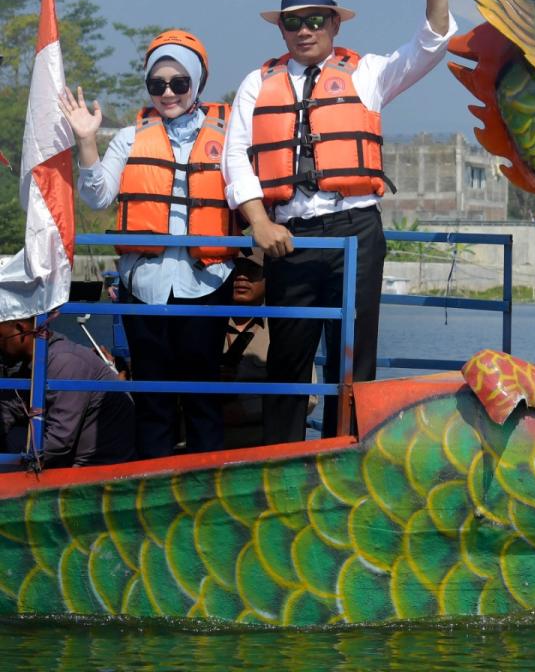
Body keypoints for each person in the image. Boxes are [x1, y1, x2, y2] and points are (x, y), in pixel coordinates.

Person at [222, 0, 455, 444]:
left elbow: (430, 45)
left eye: (314, 20)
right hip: (290, 236)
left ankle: (346, 453)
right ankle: (280, 459)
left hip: (356, 232)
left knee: (354, 356)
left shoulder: (368, 73)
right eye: (293, 22)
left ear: (333, 23)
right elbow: (235, 157)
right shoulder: (257, 84)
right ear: (281, 28)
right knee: (288, 355)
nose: (304, 31)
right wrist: (259, 222)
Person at [59, 31, 239, 458]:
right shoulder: (129, 137)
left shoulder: (230, 136)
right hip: (145, 285)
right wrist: (86, 140)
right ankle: (150, 492)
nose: (168, 93)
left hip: (207, 282)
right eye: (157, 84)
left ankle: (204, 487)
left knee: (202, 397)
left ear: (197, 84)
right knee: (153, 398)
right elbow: (98, 195)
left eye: (179, 83)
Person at [0, 318, 135, 468]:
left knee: (14, 443)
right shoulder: (36, 359)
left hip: (98, 466)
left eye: (0, 338)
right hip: (76, 457)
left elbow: (59, 440)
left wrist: (14, 461)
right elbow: (11, 407)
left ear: (21, 329)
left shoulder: (64, 362)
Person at [220, 248, 316, 448]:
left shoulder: (284, 329)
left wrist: (247, 411)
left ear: (268, 278)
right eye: (236, 269)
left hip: (263, 446)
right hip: (209, 444)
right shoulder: (202, 326)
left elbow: (308, 397)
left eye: (252, 270)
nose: (242, 277)